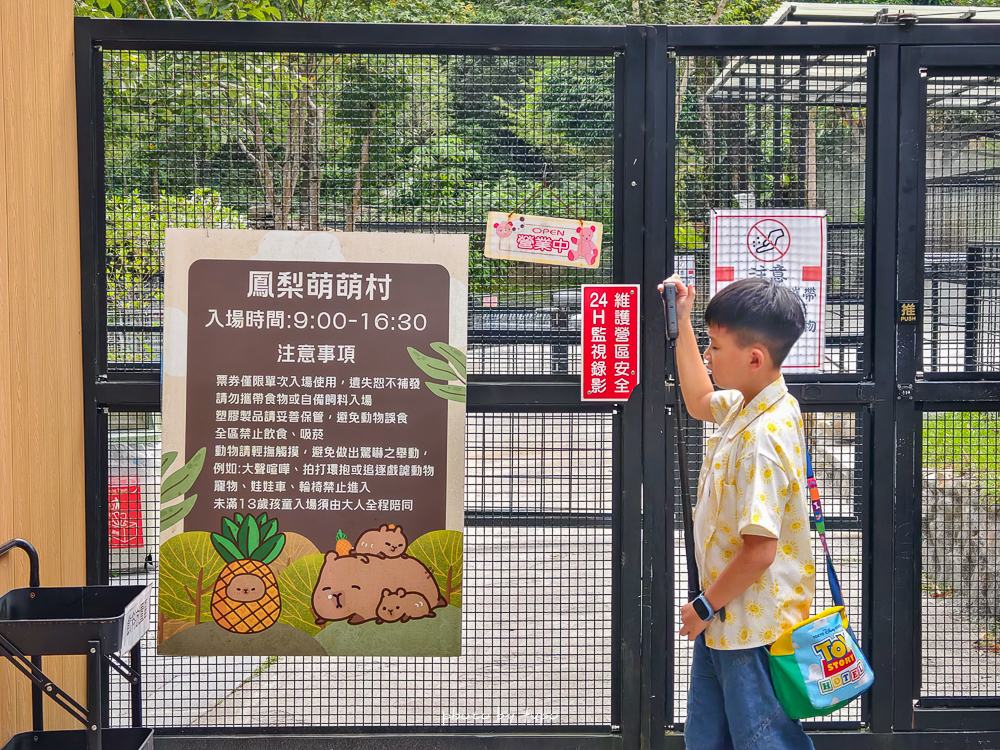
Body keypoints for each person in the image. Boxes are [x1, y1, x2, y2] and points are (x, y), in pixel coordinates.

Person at [658, 274, 817, 750]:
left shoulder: (762, 438)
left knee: (764, 742)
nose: (708, 355)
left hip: (751, 627)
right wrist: (683, 322)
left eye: (715, 346)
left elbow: (760, 552)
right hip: (727, 620)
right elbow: (699, 399)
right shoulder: (752, 404)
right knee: (710, 738)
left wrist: (704, 606)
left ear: (754, 358)